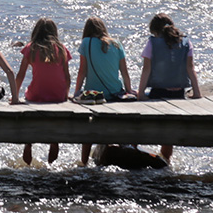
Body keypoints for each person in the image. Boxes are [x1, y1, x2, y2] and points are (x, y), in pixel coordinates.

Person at [137, 13, 202, 164]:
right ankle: (166, 159)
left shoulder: (152, 43)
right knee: (169, 131)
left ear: (155, 31)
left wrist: (140, 93)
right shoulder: (186, 42)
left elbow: (146, 70)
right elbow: (190, 68)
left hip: (158, 92)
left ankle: (135, 152)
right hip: (178, 93)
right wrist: (197, 93)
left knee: (142, 122)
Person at [73, 17, 133, 165]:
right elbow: (125, 73)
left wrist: (76, 92)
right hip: (114, 94)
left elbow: (82, 71)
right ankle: (111, 157)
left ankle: (84, 162)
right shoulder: (116, 44)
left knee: (89, 129)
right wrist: (129, 91)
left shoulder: (86, 43)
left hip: (93, 96)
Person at [15, 18, 71, 164]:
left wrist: (14, 96)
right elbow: (66, 75)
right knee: (55, 117)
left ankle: (28, 144)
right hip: (57, 95)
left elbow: (21, 74)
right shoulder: (62, 49)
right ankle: (54, 141)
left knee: (30, 97)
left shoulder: (30, 48)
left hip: (36, 95)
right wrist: (65, 96)